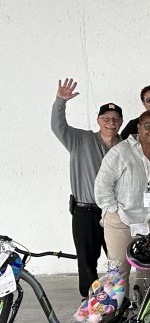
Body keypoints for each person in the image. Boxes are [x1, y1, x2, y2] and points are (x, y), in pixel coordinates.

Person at [51, 78, 123, 296]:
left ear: (121, 122)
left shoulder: (126, 146)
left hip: (114, 212)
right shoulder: (80, 139)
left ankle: (118, 299)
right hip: (85, 211)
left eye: (115, 119)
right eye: (106, 118)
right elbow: (58, 127)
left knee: (117, 260)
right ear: (98, 120)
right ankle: (89, 300)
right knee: (86, 260)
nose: (111, 123)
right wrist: (60, 101)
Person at [93, 109, 150, 299]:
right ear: (138, 127)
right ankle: (119, 310)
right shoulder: (120, 151)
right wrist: (115, 211)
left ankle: (145, 309)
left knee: (148, 270)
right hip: (121, 221)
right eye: (148, 126)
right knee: (118, 271)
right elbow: (102, 185)